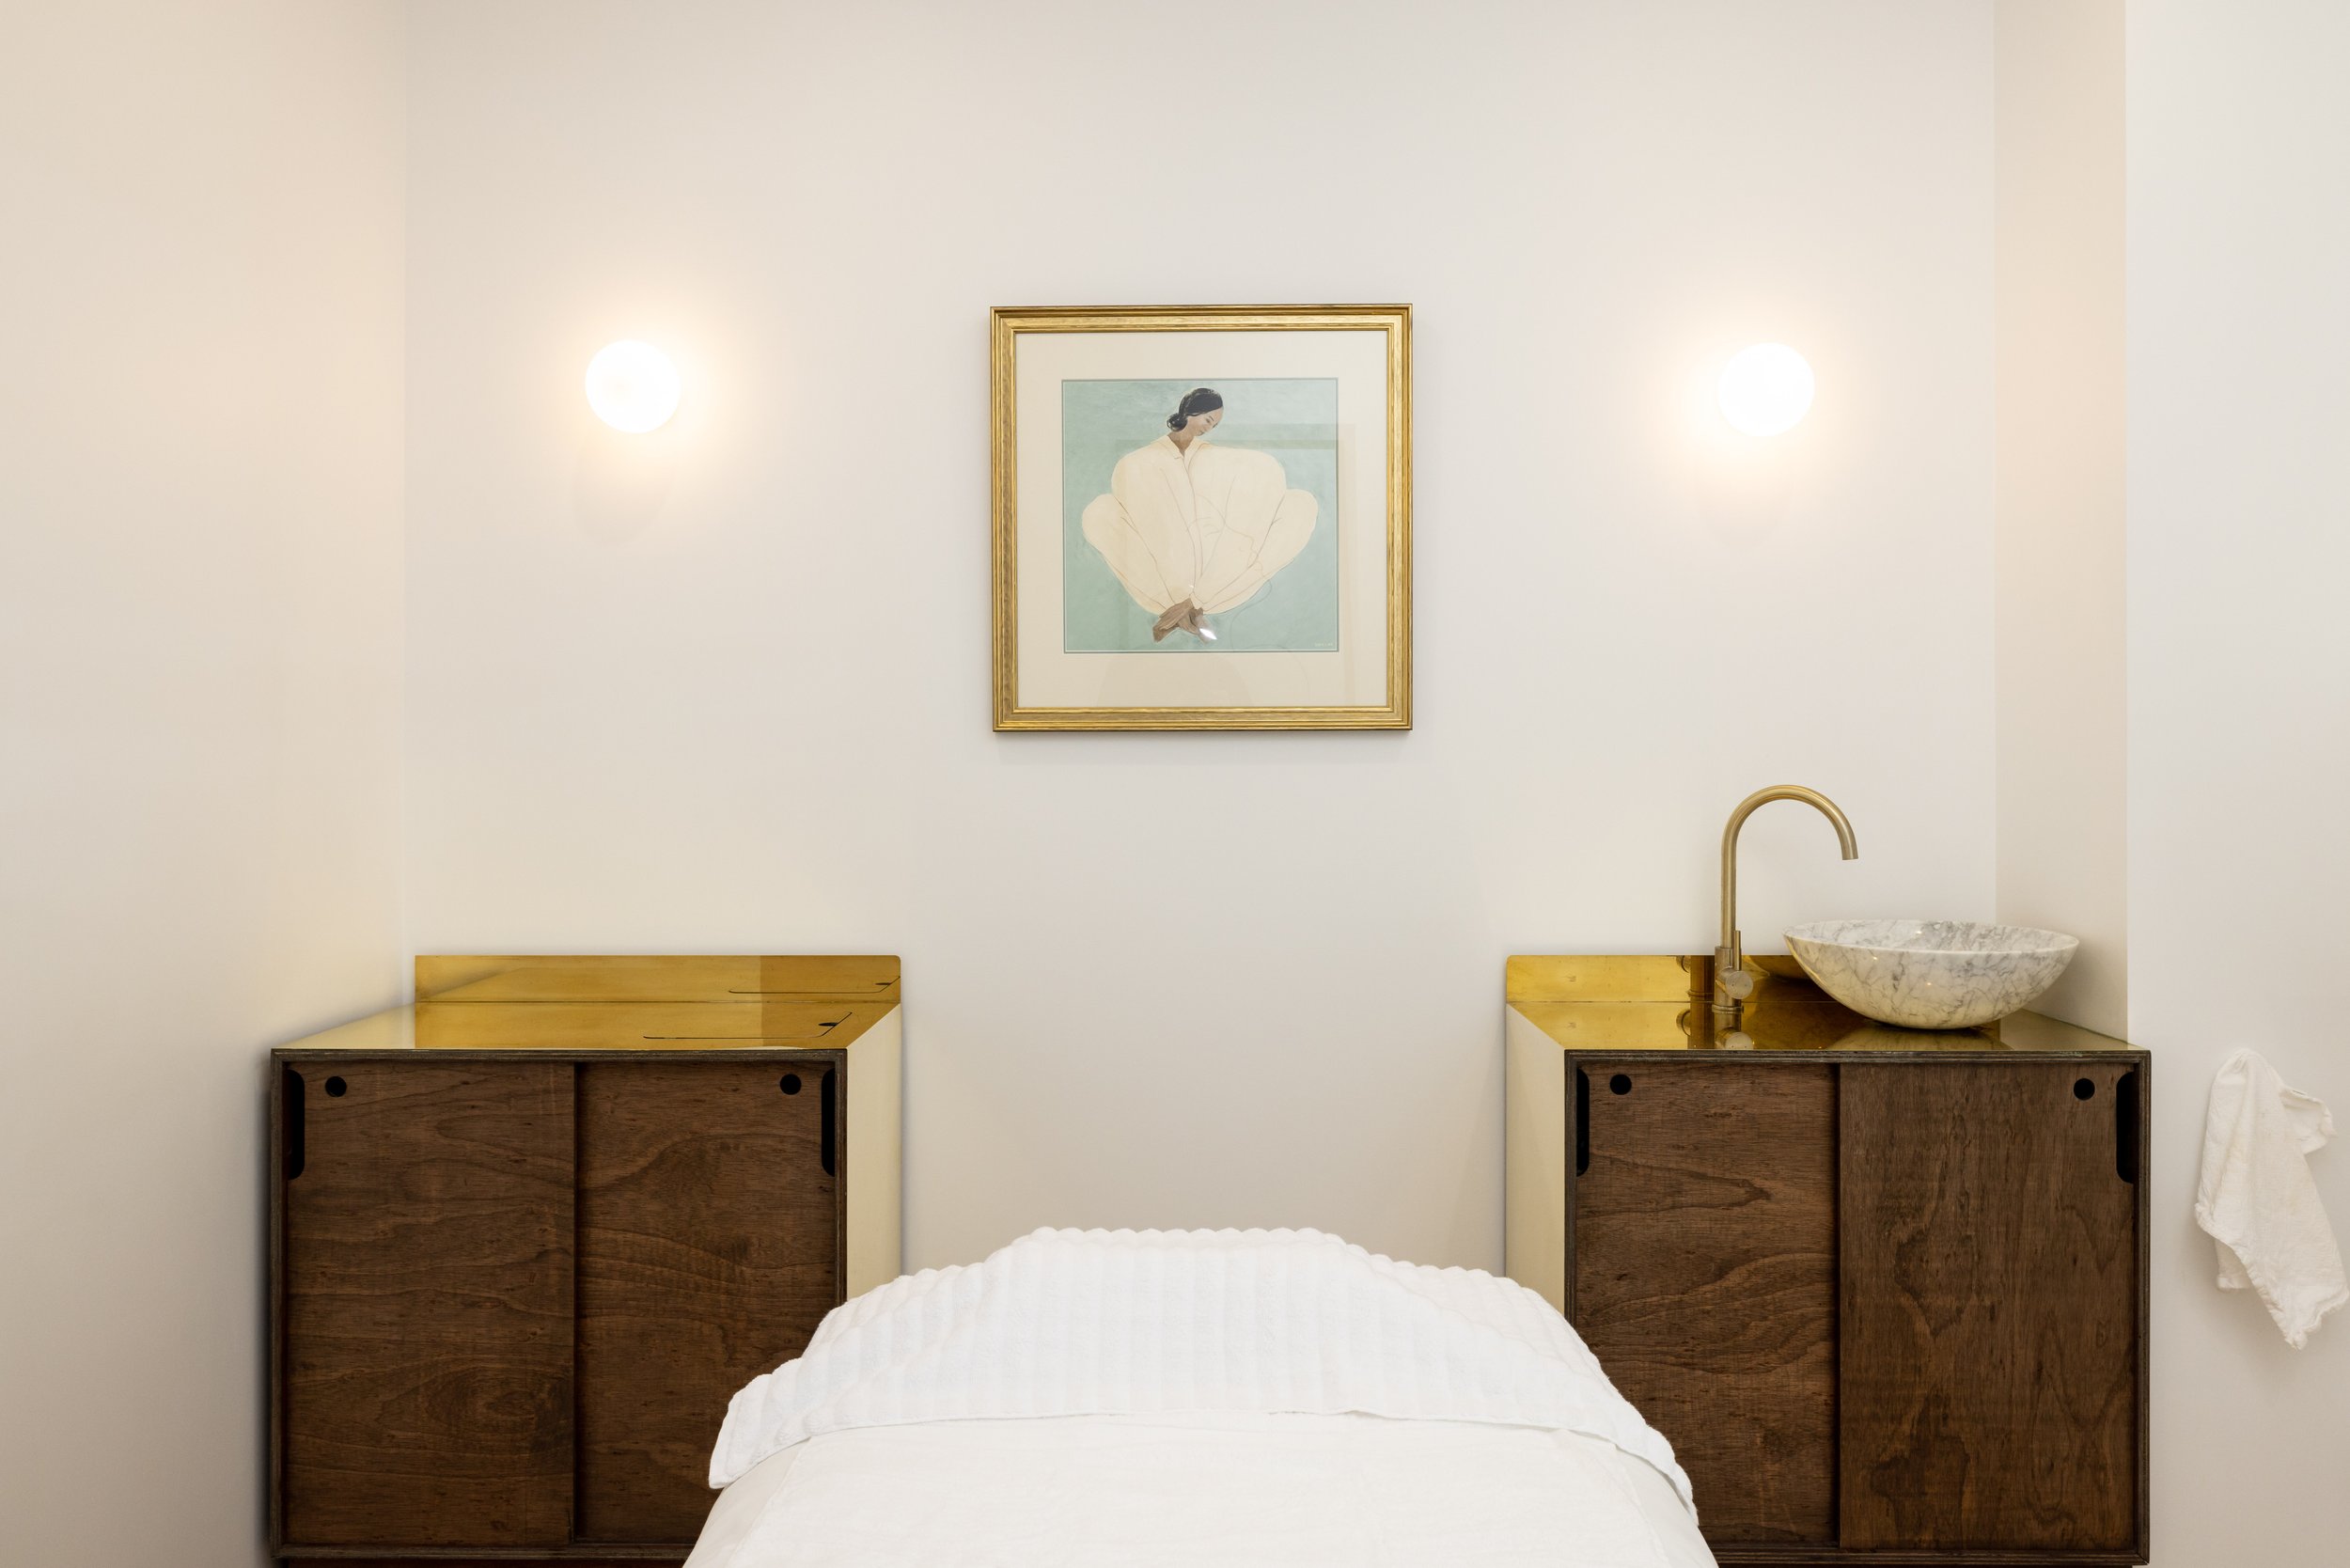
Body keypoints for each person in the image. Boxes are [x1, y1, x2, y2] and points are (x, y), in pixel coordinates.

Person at [1079, 387, 1318, 643]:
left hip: (1212, 570)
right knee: (1098, 514)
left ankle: (1189, 607)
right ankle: (1189, 609)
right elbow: (1157, 524)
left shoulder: (1214, 458)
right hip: (1166, 567)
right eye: (1208, 420)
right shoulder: (1141, 461)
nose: (1209, 428)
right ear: (1191, 411)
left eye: (1214, 425)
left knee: (1301, 506)